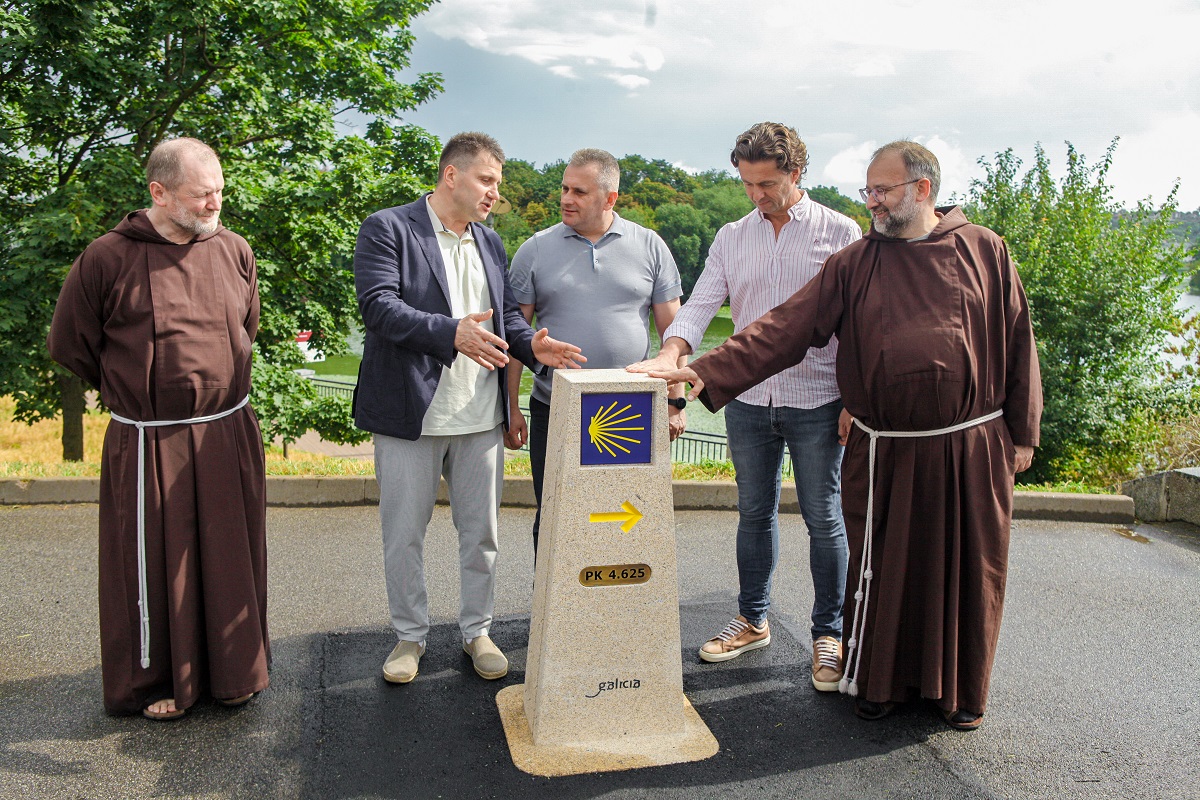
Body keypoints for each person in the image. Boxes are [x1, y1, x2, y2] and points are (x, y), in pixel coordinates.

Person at [647, 140, 1042, 730]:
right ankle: (882, 681)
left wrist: (1023, 432)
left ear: (923, 189)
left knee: (965, 567)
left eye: (883, 191)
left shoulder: (984, 248)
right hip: (886, 448)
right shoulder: (856, 262)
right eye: (868, 190)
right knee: (882, 567)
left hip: (968, 446)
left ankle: (957, 693)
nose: (872, 202)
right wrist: (703, 369)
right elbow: (785, 328)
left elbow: (1017, 341)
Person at [629, 122, 859, 693]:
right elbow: (701, 303)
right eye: (747, 184)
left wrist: (855, 399)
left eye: (767, 184)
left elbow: (858, 325)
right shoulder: (732, 236)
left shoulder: (840, 231)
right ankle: (753, 619)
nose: (757, 195)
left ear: (796, 173)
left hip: (817, 397)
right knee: (754, 513)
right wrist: (671, 353)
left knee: (824, 517)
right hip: (748, 400)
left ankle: (830, 634)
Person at [47, 137, 270, 721]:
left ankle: (233, 674)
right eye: (202, 195)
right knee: (156, 566)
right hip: (149, 439)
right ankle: (159, 681)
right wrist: (139, 393)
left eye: (219, 192)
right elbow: (70, 344)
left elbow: (245, 327)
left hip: (225, 430)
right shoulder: (106, 257)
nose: (214, 204)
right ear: (159, 192)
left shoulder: (234, 249)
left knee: (229, 556)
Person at [353, 132, 585, 686]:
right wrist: (450, 333)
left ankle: (477, 631)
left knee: (481, 535)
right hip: (410, 415)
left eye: (497, 184)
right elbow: (379, 307)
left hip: (480, 418)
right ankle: (410, 636)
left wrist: (532, 348)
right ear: (451, 175)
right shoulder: (389, 228)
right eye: (486, 180)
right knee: (404, 535)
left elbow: (505, 322)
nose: (493, 193)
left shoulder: (491, 242)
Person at [505, 148, 687, 556]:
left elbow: (674, 333)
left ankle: (615, 595)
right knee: (554, 515)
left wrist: (675, 402)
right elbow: (515, 336)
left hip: (632, 410)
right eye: (564, 188)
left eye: (579, 192)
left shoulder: (650, 246)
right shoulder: (534, 249)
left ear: (610, 198)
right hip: (555, 406)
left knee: (626, 514)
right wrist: (510, 407)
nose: (566, 199)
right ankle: (550, 599)